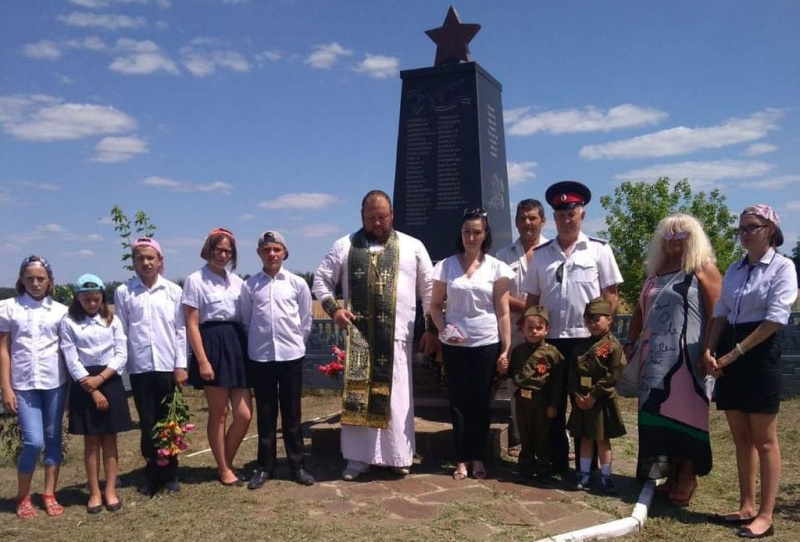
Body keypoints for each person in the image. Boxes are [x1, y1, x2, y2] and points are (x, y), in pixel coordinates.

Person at [313, 190, 433, 481]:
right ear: (361, 216)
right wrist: (334, 310)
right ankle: (358, 459)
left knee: (397, 401)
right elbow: (321, 280)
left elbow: (429, 288)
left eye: (382, 217)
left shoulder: (413, 246)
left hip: (397, 338)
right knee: (359, 398)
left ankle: (397, 456)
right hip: (360, 338)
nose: (377, 223)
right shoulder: (344, 246)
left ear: (392, 215)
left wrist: (431, 328)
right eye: (371, 218)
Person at [704, 205, 797, 539]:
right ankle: (746, 505)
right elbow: (721, 312)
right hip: (729, 350)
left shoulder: (783, 267)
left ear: (769, 230)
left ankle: (766, 516)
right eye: (740, 228)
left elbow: (775, 319)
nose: (743, 234)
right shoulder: (734, 268)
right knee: (741, 437)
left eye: (751, 227)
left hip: (759, 352)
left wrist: (735, 353)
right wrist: (709, 350)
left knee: (765, 439)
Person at [522, 181, 623, 474]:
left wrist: (603, 336)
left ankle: (584, 467)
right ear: (553, 218)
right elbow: (532, 300)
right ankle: (555, 462)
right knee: (550, 403)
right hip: (551, 344)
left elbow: (611, 296)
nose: (567, 220)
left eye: (572, 214)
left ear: (582, 215)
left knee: (585, 405)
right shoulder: (541, 254)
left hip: (586, 343)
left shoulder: (599, 250)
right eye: (561, 215)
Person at [625, 214, 722, 506]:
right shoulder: (654, 273)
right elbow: (640, 312)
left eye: (682, 234)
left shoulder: (702, 269)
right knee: (661, 415)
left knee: (687, 416)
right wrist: (630, 342)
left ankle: (688, 474)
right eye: (669, 234)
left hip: (688, 360)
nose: (675, 240)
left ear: (694, 238)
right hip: (653, 359)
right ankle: (670, 473)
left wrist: (709, 350)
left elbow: (718, 313)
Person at [429, 208, 514, 480]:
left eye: (477, 232)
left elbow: (503, 311)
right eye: (467, 231)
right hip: (455, 345)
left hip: (485, 342)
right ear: (461, 233)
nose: (471, 237)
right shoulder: (446, 266)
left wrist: (506, 348)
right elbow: (434, 305)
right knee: (458, 402)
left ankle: (478, 458)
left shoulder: (496, 267)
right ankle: (461, 459)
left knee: (480, 402)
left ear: (485, 234)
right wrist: (444, 330)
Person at [114, 237, 188, 496]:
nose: (145, 262)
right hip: (140, 367)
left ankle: (171, 471)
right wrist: (120, 366)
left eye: (150, 258)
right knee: (147, 422)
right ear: (134, 262)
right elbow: (121, 332)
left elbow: (181, 330)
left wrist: (181, 365)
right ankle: (152, 472)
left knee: (169, 421)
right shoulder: (124, 292)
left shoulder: (173, 291)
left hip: (168, 366)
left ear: (160, 261)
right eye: (140, 258)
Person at [241, 231, 315, 488]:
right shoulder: (250, 285)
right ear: (259, 254)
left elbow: (306, 320)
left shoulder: (297, 283)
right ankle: (264, 467)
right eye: (266, 250)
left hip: (290, 356)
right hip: (261, 358)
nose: (271, 254)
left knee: (292, 414)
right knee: (266, 413)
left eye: (276, 249)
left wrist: (296, 344)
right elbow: (247, 321)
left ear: (285, 253)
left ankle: (297, 466)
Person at [183, 228, 252, 487]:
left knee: (244, 414)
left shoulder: (238, 282)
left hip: (236, 344)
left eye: (228, 251)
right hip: (211, 344)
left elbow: (245, 318)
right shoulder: (195, 280)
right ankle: (224, 469)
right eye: (219, 250)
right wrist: (202, 360)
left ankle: (226, 462)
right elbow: (191, 324)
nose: (223, 255)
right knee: (219, 413)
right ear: (208, 250)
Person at [0, 256, 69, 519]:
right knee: (33, 441)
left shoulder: (61, 311)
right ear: (21, 279)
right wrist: (6, 388)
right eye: (30, 278)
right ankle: (23, 496)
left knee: (53, 439)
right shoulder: (8, 308)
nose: (36, 283)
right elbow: (3, 350)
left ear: (50, 281)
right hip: (23, 383)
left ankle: (49, 493)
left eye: (41, 278)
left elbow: (67, 350)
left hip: (55, 381)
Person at [60, 274, 131, 513]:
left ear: (102, 297)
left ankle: (110, 490)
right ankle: (94, 492)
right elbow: (71, 358)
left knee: (110, 439)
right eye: (86, 299)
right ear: (77, 298)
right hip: (84, 383)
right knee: (91, 442)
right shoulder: (69, 322)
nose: (91, 303)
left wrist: (100, 380)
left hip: (109, 379)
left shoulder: (112, 320)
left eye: (96, 299)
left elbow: (121, 353)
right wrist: (91, 388)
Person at [496, 198, 548, 458]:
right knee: (517, 385)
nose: (527, 223)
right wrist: (526, 312)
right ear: (516, 222)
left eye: (532, 218)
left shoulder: (552, 251)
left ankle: (553, 439)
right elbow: (499, 294)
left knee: (547, 384)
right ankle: (519, 438)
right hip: (515, 331)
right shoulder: (503, 256)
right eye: (522, 218)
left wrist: (533, 317)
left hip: (544, 332)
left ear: (543, 221)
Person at [568, 298, 626, 493]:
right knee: (585, 436)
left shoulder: (613, 345)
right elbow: (572, 373)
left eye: (597, 319)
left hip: (601, 399)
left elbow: (614, 374)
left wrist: (594, 395)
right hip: (582, 399)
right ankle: (584, 474)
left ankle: (606, 475)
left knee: (602, 439)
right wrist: (576, 394)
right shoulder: (581, 346)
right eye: (589, 320)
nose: (592, 324)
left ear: (609, 319)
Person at [503, 305, 564, 482]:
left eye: (538, 328)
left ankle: (544, 469)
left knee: (542, 436)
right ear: (522, 329)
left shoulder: (552, 353)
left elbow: (557, 382)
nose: (534, 332)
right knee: (525, 434)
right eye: (529, 328)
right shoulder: (518, 351)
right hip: (522, 400)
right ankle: (526, 469)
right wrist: (503, 368)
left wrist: (553, 404)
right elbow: (512, 374)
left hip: (541, 401)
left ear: (547, 329)